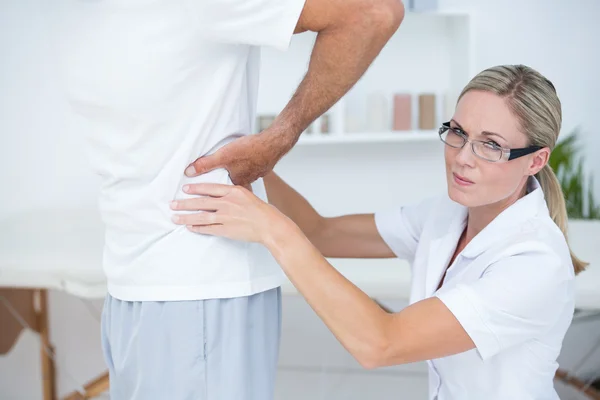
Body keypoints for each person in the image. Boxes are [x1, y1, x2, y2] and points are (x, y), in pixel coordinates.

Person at [172, 64, 587, 399]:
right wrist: (253, 157)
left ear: (535, 161)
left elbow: (380, 343)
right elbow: (321, 232)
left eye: (490, 145)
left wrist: (271, 230)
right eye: (458, 133)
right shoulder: (447, 214)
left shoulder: (534, 265)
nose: (463, 158)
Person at [55, 0, 404, 398]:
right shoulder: (76, 14)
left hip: (197, 287)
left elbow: (372, 12)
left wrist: (279, 137)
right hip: (128, 286)